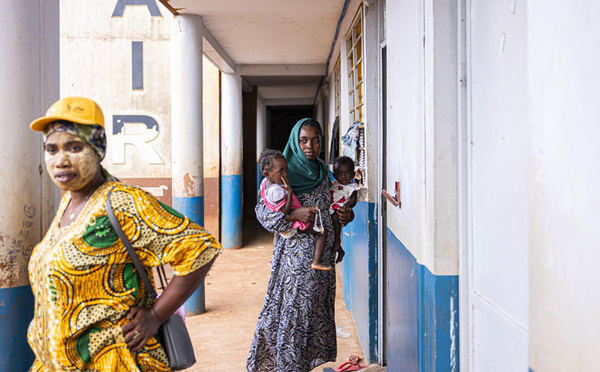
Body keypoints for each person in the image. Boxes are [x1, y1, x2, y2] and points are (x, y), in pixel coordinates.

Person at [27, 97, 221, 372]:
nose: (60, 160)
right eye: (51, 149)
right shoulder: (68, 203)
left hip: (116, 361)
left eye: (74, 147)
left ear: (97, 149)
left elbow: (200, 248)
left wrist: (155, 315)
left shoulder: (122, 203)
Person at [246, 118, 354, 372]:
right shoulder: (282, 174)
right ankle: (287, 366)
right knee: (294, 313)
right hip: (295, 259)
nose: (309, 146)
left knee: (314, 312)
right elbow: (263, 213)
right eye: (303, 140)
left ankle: (302, 366)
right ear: (295, 141)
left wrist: (345, 219)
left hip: (323, 255)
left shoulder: (323, 173)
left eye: (315, 140)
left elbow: (333, 208)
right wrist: (294, 215)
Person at [258, 149, 330, 271]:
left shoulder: (265, 182)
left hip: (284, 226)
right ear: (267, 173)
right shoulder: (277, 190)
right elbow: (285, 211)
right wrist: (290, 192)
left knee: (277, 234)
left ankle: (274, 258)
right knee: (322, 231)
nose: (285, 174)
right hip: (295, 225)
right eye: (281, 171)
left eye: (286, 170)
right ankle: (316, 261)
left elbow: (261, 193)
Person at [330, 156, 361, 253]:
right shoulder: (334, 184)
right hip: (332, 208)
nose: (343, 176)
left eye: (347, 173)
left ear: (352, 174)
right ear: (334, 175)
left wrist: (346, 208)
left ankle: (337, 241)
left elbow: (353, 201)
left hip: (341, 210)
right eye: (340, 173)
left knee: (335, 218)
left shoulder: (353, 187)